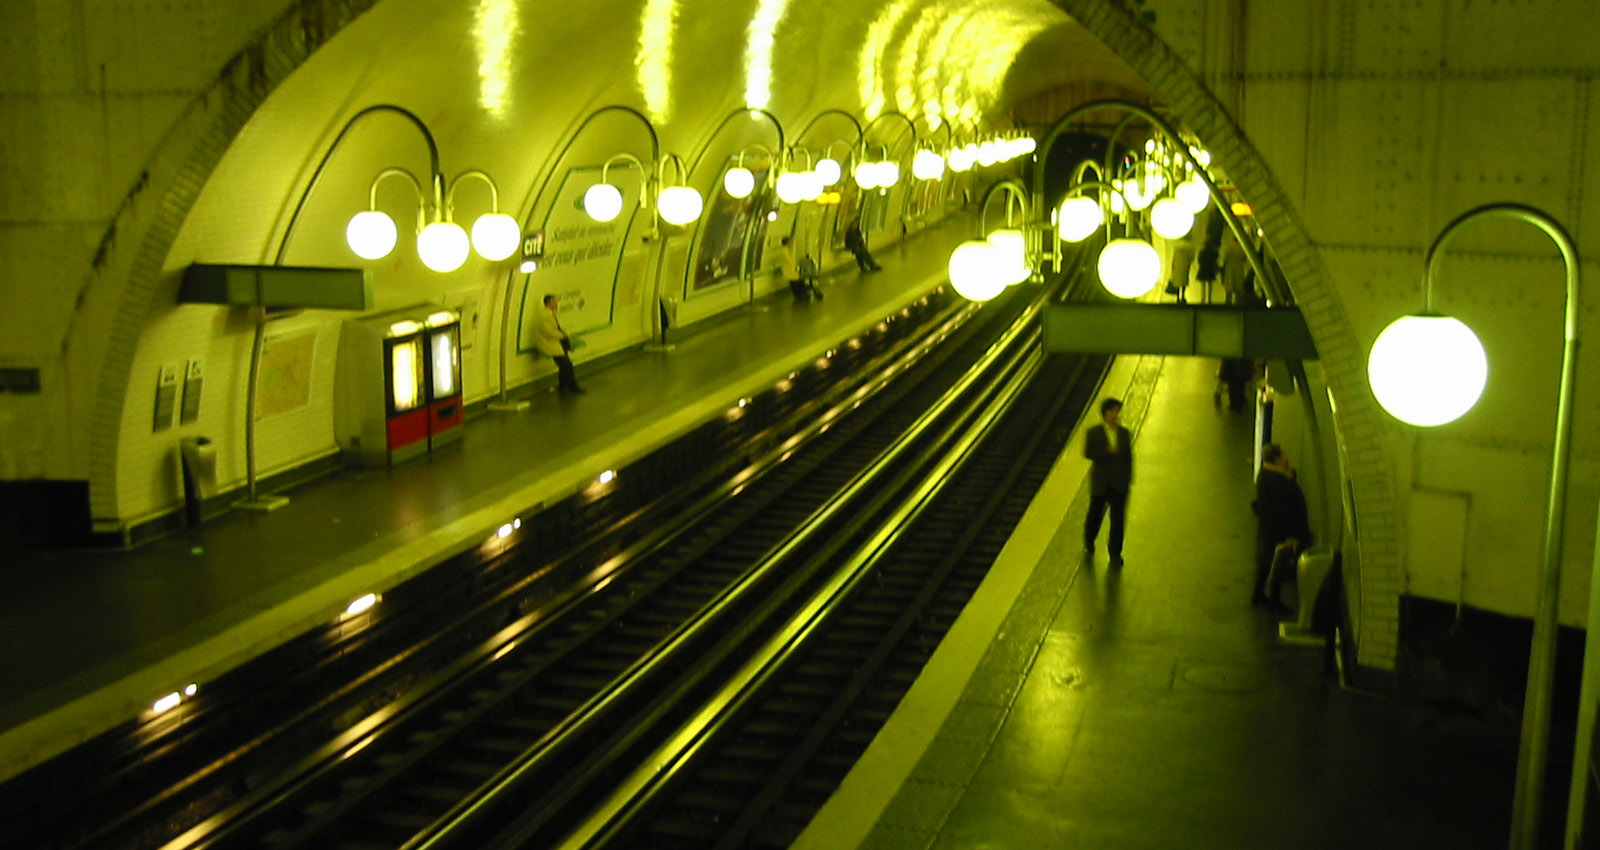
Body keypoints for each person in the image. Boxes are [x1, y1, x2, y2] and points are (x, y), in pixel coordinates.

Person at [1253, 443, 1312, 616]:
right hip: (1279, 530)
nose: (1287, 457)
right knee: (1277, 564)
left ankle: (1258, 595)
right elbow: (1285, 508)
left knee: (1267, 561)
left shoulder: (1266, 474)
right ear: (1278, 458)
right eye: (1284, 455)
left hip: (1270, 527)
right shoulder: (1277, 480)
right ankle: (1274, 600)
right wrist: (1290, 534)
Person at [1083, 397, 1132, 567]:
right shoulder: (1094, 433)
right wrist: (1106, 451)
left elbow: (1128, 458)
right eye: (1112, 411)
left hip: (1119, 485)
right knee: (1095, 516)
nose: (1115, 414)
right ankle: (1089, 539)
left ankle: (1115, 553)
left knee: (1118, 520)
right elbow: (1088, 453)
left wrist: (1127, 479)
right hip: (1101, 484)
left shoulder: (1124, 434)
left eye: (1117, 411)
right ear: (1105, 413)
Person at [536, 294, 583, 394]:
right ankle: (573, 387)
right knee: (567, 365)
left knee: (564, 365)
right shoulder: (544, 316)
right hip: (552, 345)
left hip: (558, 344)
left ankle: (562, 386)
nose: (556, 303)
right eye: (554, 301)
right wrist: (563, 335)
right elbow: (548, 332)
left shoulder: (551, 314)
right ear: (549, 302)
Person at [779, 236, 809, 301]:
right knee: (798, 280)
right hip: (789, 270)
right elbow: (789, 261)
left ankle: (799, 294)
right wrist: (796, 265)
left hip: (790, 269)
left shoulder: (785, 250)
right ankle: (800, 294)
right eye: (790, 242)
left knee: (796, 280)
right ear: (787, 242)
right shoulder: (784, 251)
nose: (791, 243)